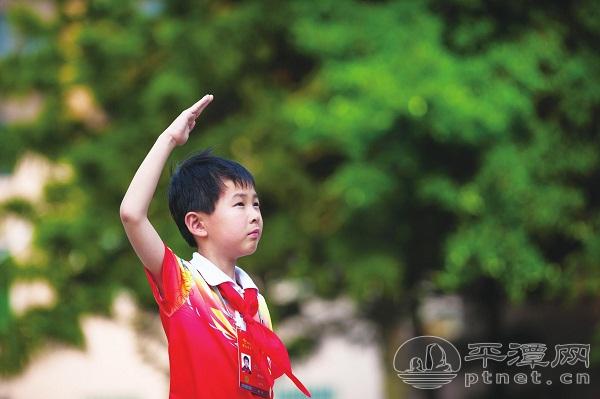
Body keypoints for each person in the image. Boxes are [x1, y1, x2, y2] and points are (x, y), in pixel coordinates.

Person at [120, 95, 310, 398]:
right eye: (239, 204)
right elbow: (131, 214)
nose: (255, 215)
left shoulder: (255, 303)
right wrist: (169, 139)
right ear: (197, 224)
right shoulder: (181, 283)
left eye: (256, 204)